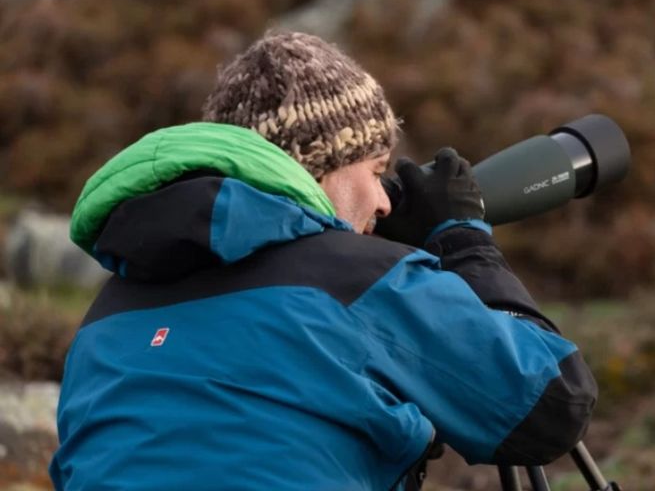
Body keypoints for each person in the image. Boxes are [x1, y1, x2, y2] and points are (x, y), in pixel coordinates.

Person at [50, 30, 597, 491]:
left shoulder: (102, 321)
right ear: (318, 168)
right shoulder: (351, 280)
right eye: (375, 168)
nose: (383, 201)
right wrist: (463, 245)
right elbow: (552, 405)